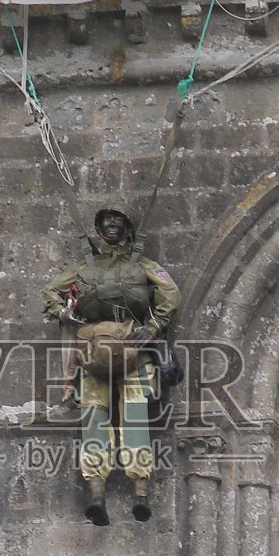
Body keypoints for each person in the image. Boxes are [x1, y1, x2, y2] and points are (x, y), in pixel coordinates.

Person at [42, 205, 180, 525]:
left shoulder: (143, 264)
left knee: (135, 415)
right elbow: (51, 291)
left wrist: (155, 327)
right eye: (107, 220)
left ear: (128, 227)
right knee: (93, 416)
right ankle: (96, 493)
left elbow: (169, 293)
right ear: (100, 227)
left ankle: (140, 489)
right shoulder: (83, 267)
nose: (113, 224)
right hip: (92, 352)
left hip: (133, 346)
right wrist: (63, 312)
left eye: (118, 220)